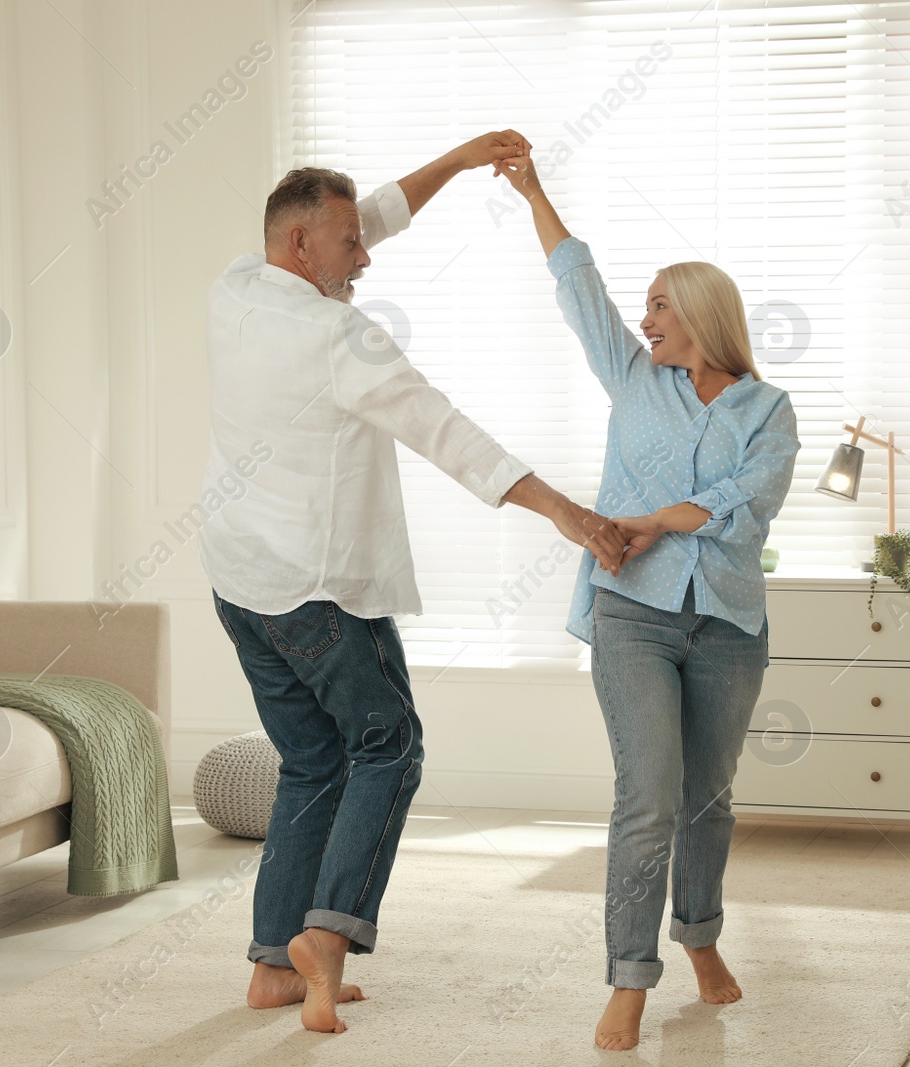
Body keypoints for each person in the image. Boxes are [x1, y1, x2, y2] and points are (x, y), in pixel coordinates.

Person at [199, 132, 629, 1034]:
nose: (363, 256)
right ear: (302, 249)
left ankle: (274, 968)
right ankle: (328, 933)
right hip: (317, 593)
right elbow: (448, 432)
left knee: (312, 761)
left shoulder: (235, 287)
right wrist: (567, 514)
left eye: (362, 237)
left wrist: (463, 159)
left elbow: (376, 211)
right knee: (390, 747)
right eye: (348, 243)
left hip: (239, 584)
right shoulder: (339, 336)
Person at [495, 152, 801, 1050]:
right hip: (631, 613)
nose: (644, 319)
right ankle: (631, 976)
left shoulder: (770, 409)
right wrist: (533, 193)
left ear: (701, 315)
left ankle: (700, 936)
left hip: (730, 624)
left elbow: (754, 506)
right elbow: (576, 285)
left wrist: (664, 517)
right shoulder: (634, 378)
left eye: (660, 305)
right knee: (649, 795)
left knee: (710, 798)